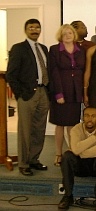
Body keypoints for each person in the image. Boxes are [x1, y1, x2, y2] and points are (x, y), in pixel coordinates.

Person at [6, 19, 49, 176]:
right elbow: (11, 74)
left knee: (39, 129)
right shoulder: (18, 48)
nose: (34, 30)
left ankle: (33, 159)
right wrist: (20, 94)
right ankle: (24, 163)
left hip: (43, 93)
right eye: (31, 27)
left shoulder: (43, 49)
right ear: (26, 30)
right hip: (27, 94)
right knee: (25, 130)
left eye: (37, 27)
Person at [58, 107, 96, 211]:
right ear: (83, 118)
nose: (90, 119)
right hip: (80, 166)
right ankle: (68, 196)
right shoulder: (76, 129)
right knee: (67, 156)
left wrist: (81, 152)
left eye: (93, 116)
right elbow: (75, 150)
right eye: (87, 116)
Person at [49, 24, 86, 166]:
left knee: (73, 124)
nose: (68, 35)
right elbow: (53, 72)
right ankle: (58, 153)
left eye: (70, 33)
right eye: (65, 33)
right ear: (61, 35)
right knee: (60, 124)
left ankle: (71, 152)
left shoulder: (80, 50)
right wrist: (58, 93)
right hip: (61, 91)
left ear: (74, 34)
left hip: (76, 91)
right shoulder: (54, 50)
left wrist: (82, 93)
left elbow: (82, 71)